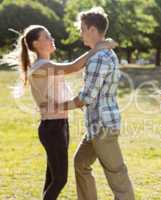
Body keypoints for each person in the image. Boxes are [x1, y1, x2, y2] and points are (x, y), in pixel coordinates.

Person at [43, 7, 135, 200]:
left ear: (93, 30)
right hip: (96, 126)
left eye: (83, 28)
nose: (80, 33)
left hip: (103, 126)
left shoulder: (99, 58)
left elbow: (86, 97)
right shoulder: (104, 53)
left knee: (117, 174)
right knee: (80, 163)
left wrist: (59, 106)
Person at [18, 24, 116, 200]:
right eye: (47, 37)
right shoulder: (41, 66)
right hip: (52, 128)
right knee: (60, 180)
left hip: (60, 125)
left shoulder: (46, 65)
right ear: (36, 44)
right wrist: (98, 48)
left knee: (52, 178)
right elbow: (73, 67)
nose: (51, 39)